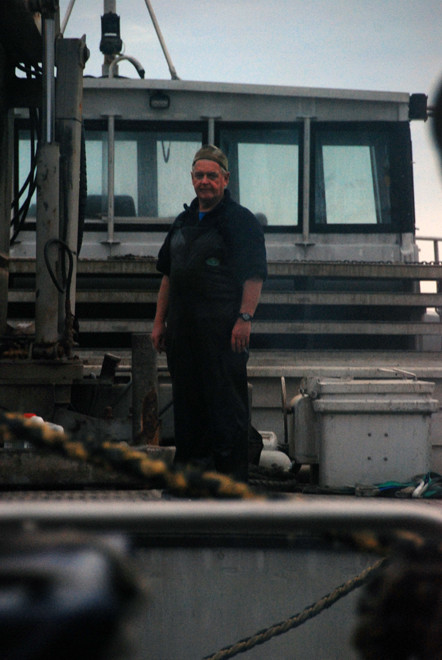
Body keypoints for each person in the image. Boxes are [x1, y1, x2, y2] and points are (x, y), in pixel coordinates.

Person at [151, 144, 267, 481]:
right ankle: (190, 487)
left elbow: (254, 275)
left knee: (226, 411)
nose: (205, 181)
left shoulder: (240, 221)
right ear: (192, 178)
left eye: (212, 176)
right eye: (199, 175)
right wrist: (159, 323)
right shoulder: (183, 221)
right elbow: (168, 276)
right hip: (183, 336)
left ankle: (230, 488)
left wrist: (245, 319)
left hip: (223, 336)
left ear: (225, 179)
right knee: (188, 411)